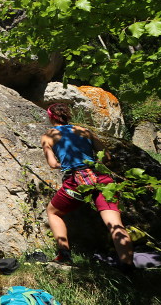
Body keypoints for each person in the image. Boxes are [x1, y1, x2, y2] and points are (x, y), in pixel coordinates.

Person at [41, 102, 135, 270]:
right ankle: (128, 267)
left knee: (53, 212)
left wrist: (66, 163)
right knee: (115, 224)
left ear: (50, 117)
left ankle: (64, 255)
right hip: (101, 178)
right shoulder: (84, 131)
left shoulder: (49, 135)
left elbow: (52, 163)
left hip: (76, 181)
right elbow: (106, 156)